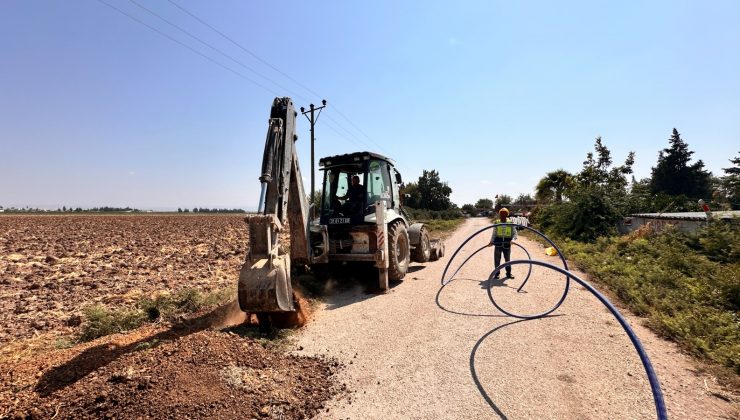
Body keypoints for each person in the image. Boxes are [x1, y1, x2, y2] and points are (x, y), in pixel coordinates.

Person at [489, 207, 518, 279]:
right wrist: (491, 242)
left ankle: (508, 273)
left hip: (507, 243)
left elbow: (515, 233)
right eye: (501, 214)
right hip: (498, 242)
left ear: (507, 214)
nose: (503, 215)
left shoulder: (510, 223)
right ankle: (496, 274)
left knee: (507, 259)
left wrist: (513, 240)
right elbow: (494, 233)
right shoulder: (497, 222)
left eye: (504, 214)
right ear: (499, 215)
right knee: (497, 259)